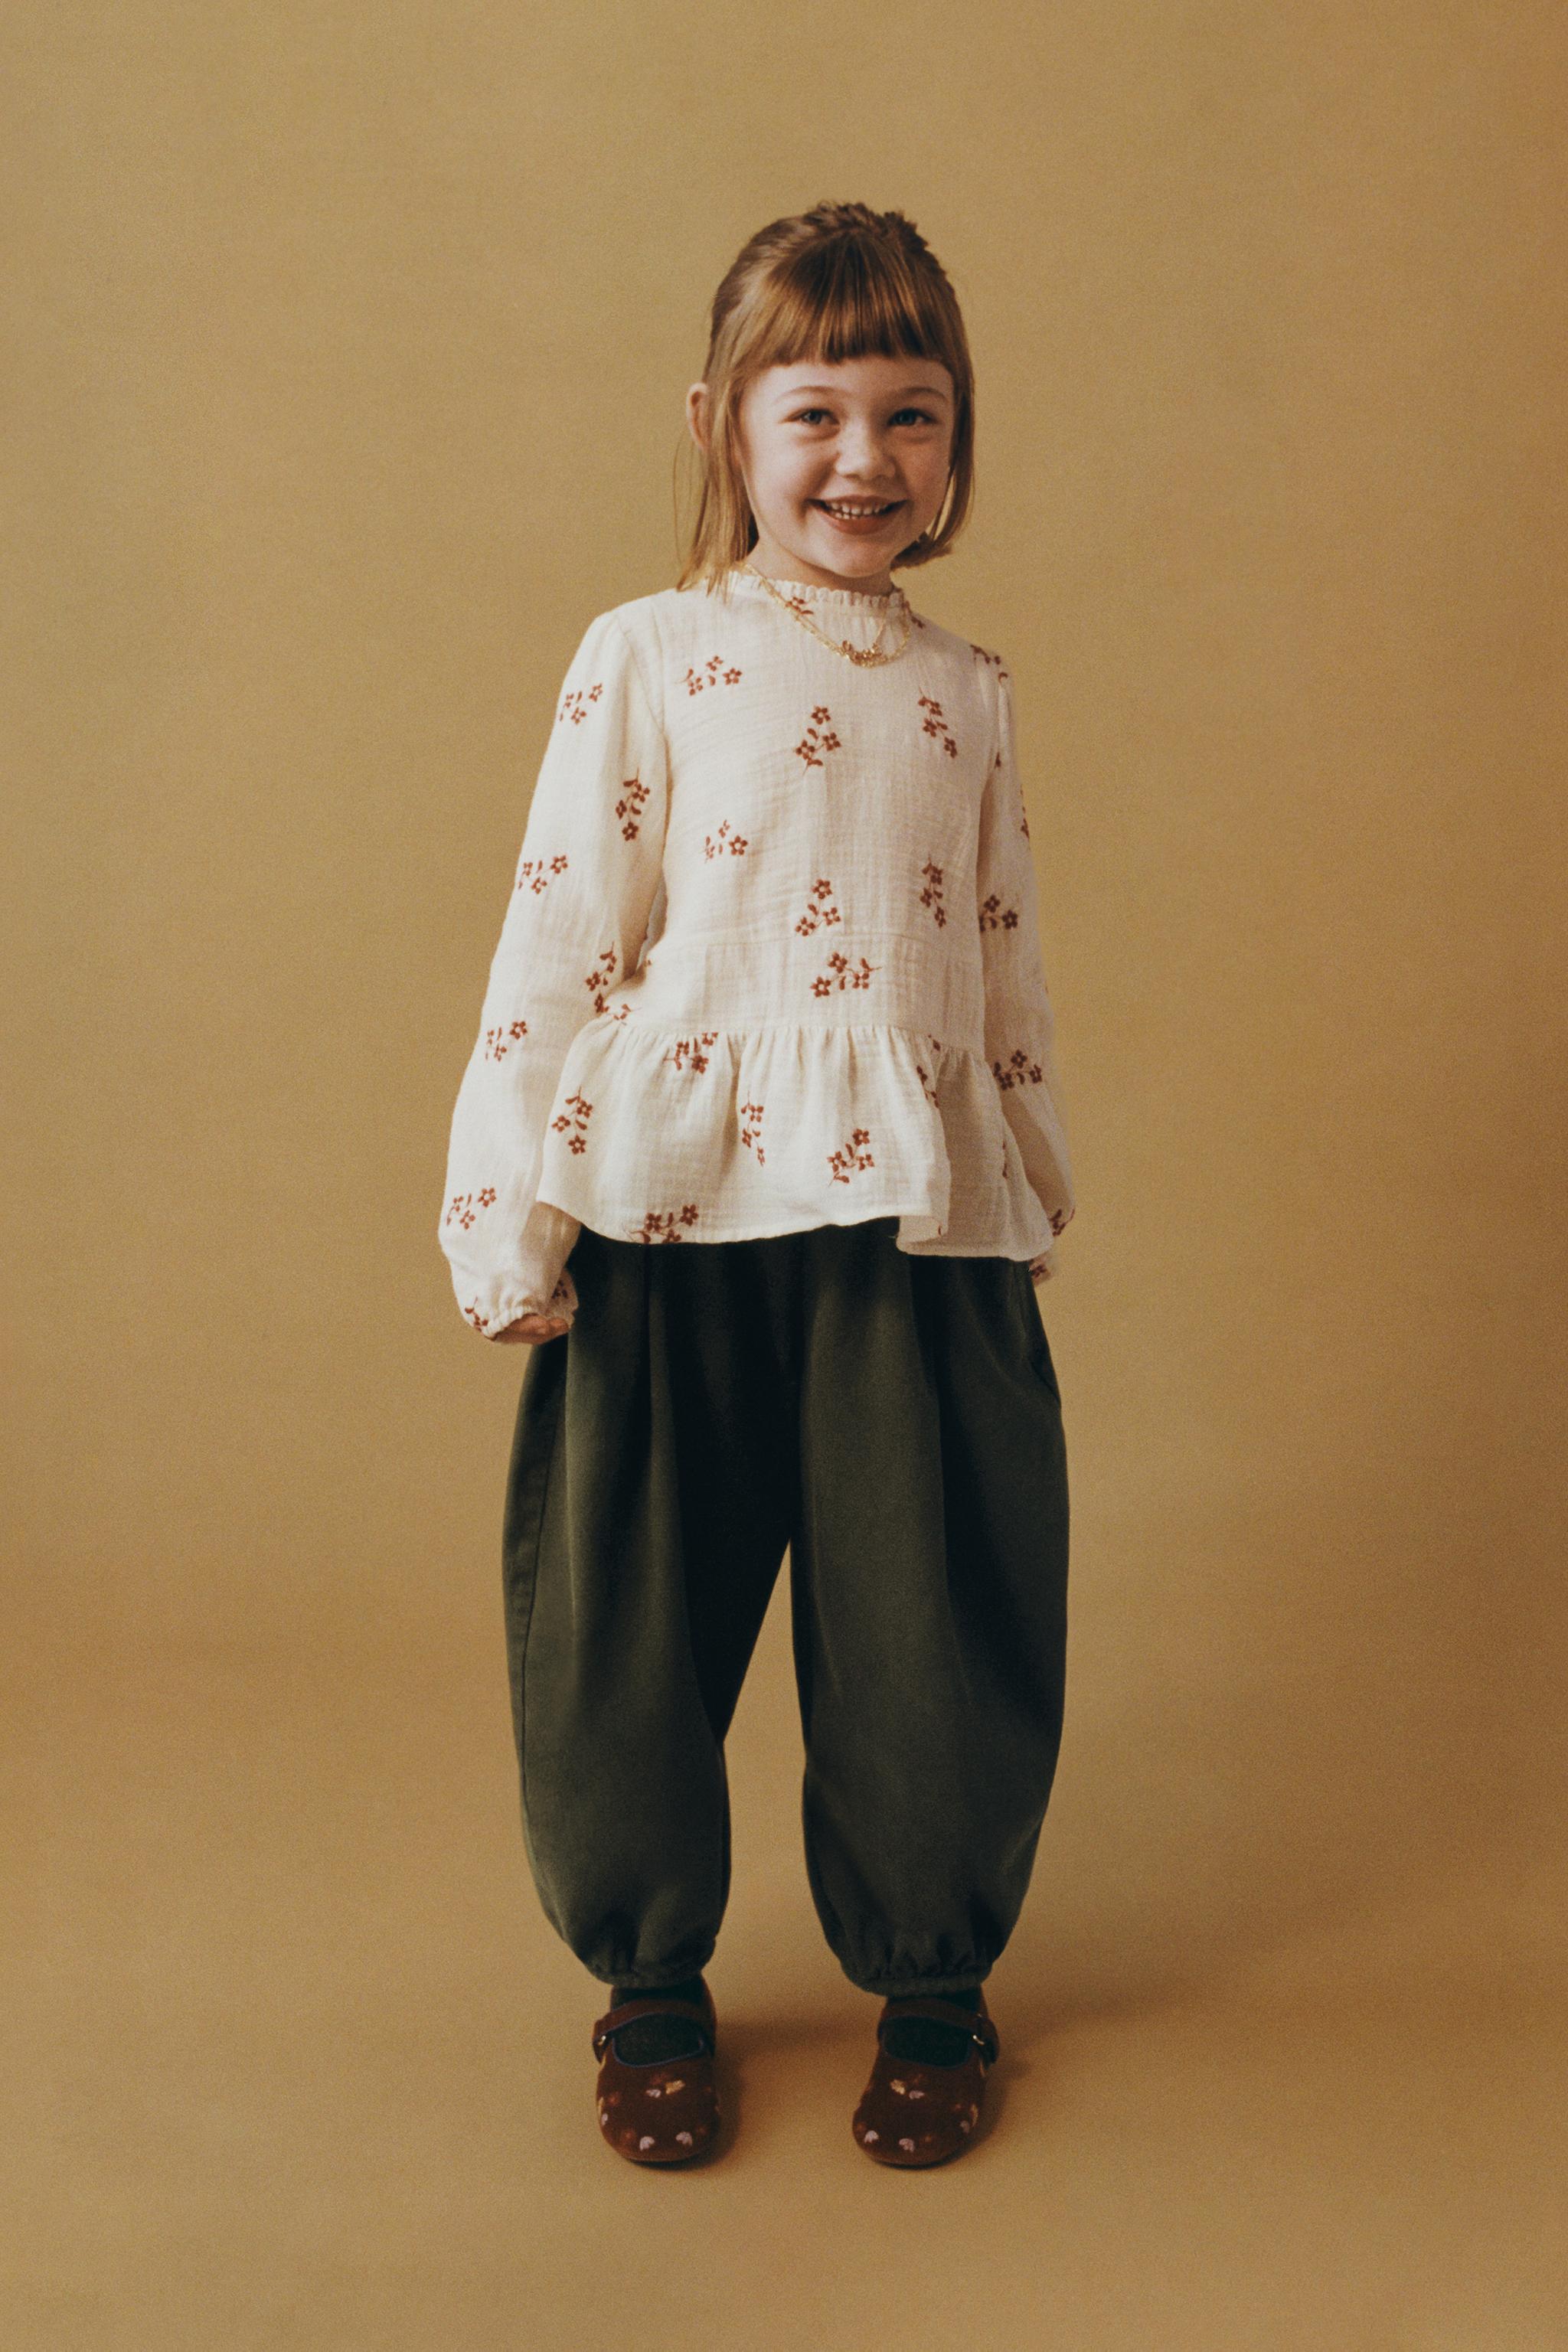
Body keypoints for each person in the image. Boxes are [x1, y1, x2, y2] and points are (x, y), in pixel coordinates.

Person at [438, 200, 1075, 2170]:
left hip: (903, 1223)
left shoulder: (968, 690)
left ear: (956, 444)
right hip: (668, 1217)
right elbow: (561, 935)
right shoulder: (648, 657)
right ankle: (647, 1985)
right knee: (624, 1618)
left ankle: (935, 1983)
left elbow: (1000, 953)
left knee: (930, 1623)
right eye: (817, 412)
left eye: (913, 415)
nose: (864, 460)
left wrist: (1023, 1182)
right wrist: (508, 1211)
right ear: (723, 424)